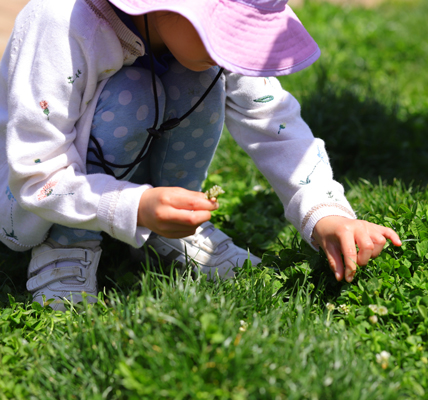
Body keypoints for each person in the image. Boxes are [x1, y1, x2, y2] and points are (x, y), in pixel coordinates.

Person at [0, 0, 401, 311]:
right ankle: (68, 247)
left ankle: (171, 223)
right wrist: (131, 204)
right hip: (38, 194)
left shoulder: (198, 43)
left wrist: (325, 213)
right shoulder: (63, 25)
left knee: (200, 77)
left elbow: (273, 122)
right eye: (225, 32)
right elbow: (35, 171)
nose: (232, 52)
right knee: (132, 95)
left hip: (120, 177)